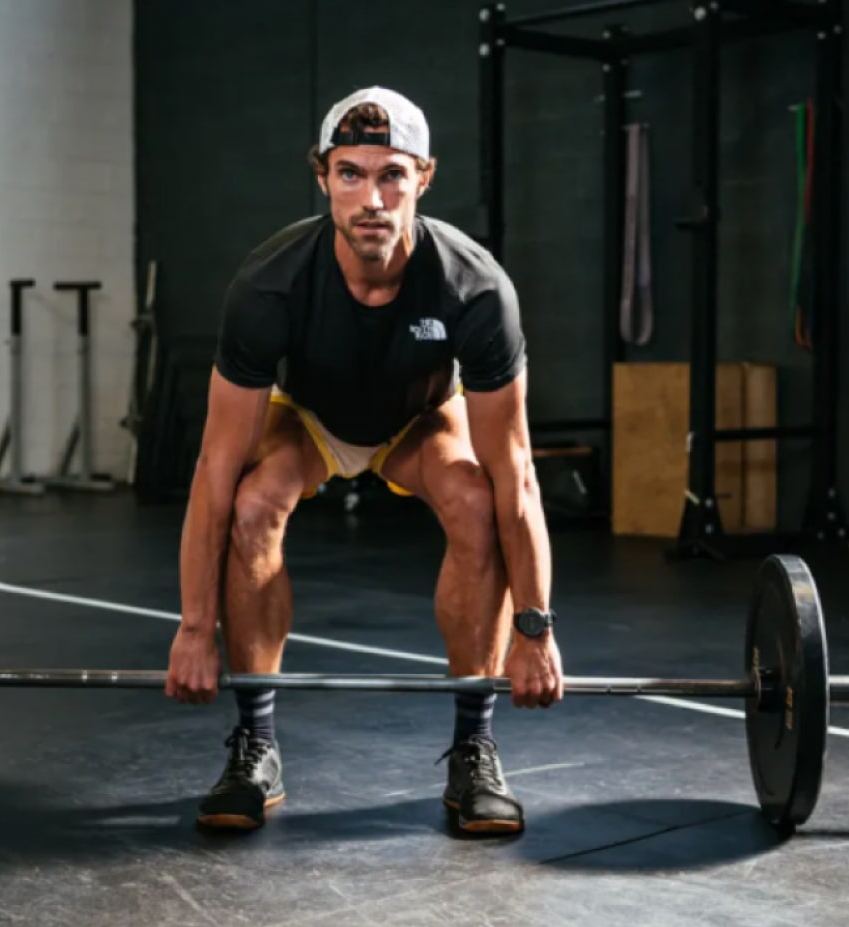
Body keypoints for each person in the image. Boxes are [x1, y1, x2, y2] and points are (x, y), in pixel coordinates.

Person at [164, 86, 564, 835]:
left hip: (419, 418)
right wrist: (194, 626)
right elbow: (215, 467)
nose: (372, 199)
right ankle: (255, 742)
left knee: (476, 501)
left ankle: (474, 746)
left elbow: (516, 474)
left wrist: (535, 630)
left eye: (392, 176)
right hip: (309, 417)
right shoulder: (269, 283)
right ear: (322, 176)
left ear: (424, 178)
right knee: (252, 504)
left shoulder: (474, 288)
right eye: (350, 173)